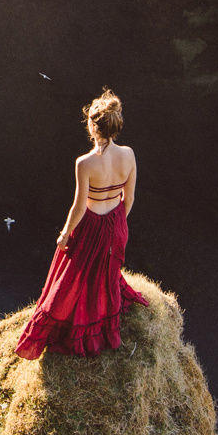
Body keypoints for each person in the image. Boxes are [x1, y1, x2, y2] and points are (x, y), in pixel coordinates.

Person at [13, 88, 146, 360]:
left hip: (92, 225)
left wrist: (64, 235)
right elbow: (129, 197)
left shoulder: (84, 163)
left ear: (92, 126)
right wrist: (118, 224)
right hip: (117, 224)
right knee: (103, 274)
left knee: (72, 279)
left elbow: (78, 207)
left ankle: (74, 326)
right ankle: (103, 320)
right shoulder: (129, 155)